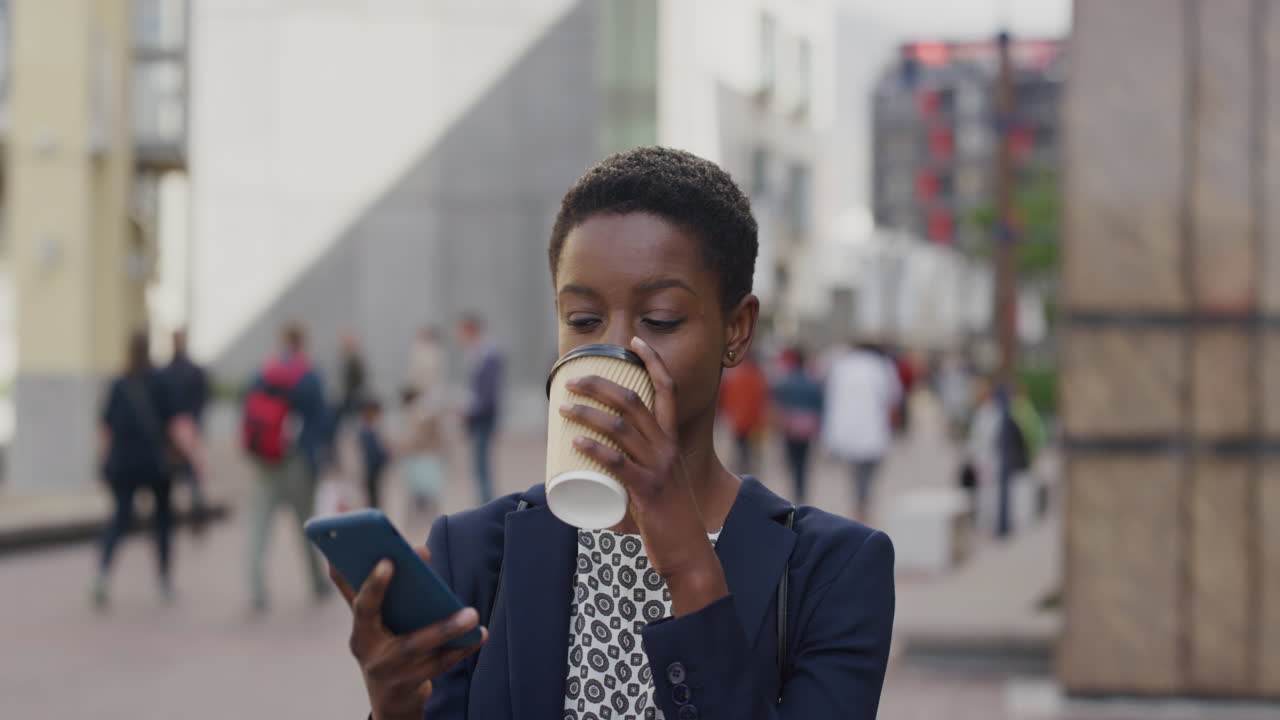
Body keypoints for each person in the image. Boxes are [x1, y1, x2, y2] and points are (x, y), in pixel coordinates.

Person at [328, 147, 894, 719]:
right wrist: (393, 707)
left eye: (662, 318)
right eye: (583, 320)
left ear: (737, 330)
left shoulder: (833, 571)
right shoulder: (475, 554)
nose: (617, 348)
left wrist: (691, 569)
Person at [93, 331, 194, 608]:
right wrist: (190, 456)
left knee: (120, 519)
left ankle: (102, 575)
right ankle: (164, 582)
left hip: (123, 463)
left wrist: (103, 463)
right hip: (154, 463)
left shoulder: (119, 383)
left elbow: (105, 428)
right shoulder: (160, 381)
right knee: (162, 523)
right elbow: (176, 424)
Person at [242, 322, 332, 612]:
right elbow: (322, 419)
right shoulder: (310, 375)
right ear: (302, 341)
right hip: (298, 461)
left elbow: (248, 409)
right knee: (306, 525)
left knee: (259, 525)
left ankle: (256, 586)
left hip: (265, 459)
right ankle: (317, 582)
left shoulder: (264, 371)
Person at [822, 340, 902, 523]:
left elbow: (831, 399)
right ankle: (863, 505)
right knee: (869, 473)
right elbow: (894, 398)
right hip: (874, 431)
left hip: (848, 432)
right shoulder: (882, 367)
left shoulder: (842, 366)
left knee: (855, 472)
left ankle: (859, 505)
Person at [161, 328, 210, 534]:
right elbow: (202, 399)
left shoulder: (166, 371)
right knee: (192, 474)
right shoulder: (195, 370)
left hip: (174, 428)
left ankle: (173, 515)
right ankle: (197, 511)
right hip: (189, 426)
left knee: (174, 473)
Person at [458, 313, 503, 505]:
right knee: (480, 465)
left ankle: (487, 504)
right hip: (480, 417)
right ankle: (485, 503)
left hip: (483, 417)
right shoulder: (478, 354)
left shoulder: (487, 355)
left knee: (481, 465)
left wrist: (468, 406)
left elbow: (486, 395)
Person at [772, 346, 823, 504]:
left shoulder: (787, 381)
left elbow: (778, 403)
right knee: (804, 462)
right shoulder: (812, 382)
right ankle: (801, 492)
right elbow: (819, 406)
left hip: (790, 426)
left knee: (792, 460)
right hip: (807, 428)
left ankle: (794, 490)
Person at [397, 387, 446, 522]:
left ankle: (418, 519)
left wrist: (400, 446)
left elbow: (414, 439)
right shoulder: (426, 410)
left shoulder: (417, 413)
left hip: (421, 458)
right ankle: (427, 518)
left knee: (418, 492)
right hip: (431, 457)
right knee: (428, 495)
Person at [717, 351, 769, 474]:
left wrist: (726, 414)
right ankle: (747, 466)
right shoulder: (758, 377)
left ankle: (743, 466)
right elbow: (763, 399)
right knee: (749, 447)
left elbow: (724, 399)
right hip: (754, 420)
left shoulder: (734, 377)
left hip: (738, 419)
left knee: (741, 445)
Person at [358, 398, 391, 510]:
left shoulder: (375, 429)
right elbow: (370, 450)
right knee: (372, 497)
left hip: (377, 468)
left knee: (378, 497)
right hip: (371, 467)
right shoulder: (366, 430)